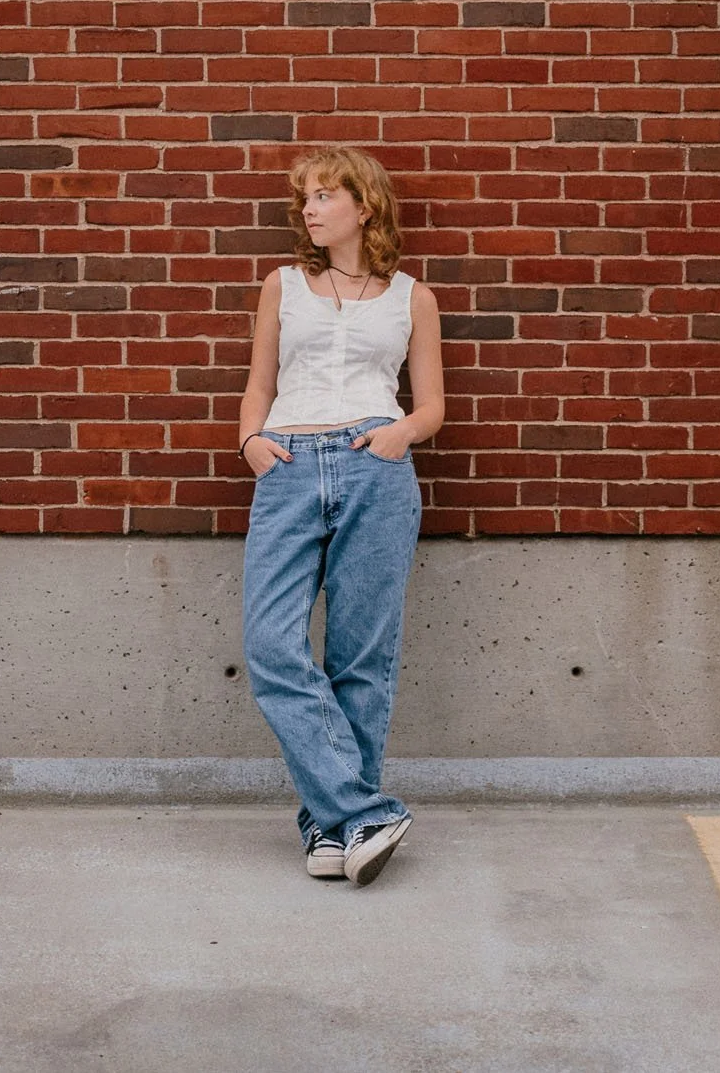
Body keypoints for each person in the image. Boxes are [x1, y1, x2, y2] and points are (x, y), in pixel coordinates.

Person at [237, 146, 444, 887]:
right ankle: (365, 810)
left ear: (364, 205)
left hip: (375, 465)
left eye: (325, 195)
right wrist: (251, 440)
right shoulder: (284, 286)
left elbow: (433, 406)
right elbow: (259, 382)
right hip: (288, 466)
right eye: (306, 199)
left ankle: (331, 826)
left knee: (361, 656)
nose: (310, 209)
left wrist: (399, 435)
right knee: (270, 643)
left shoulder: (410, 296)